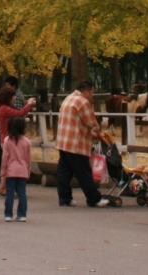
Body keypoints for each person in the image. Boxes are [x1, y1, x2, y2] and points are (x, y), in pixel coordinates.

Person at [55, 80, 112, 208]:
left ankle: (65, 199)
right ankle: (94, 199)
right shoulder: (83, 102)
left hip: (63, 141)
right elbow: (91, 122)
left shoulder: (68, 98)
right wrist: (99, 133)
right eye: (92, 92)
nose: (92, 96)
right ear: (87, 91)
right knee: (84, 172)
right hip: (76, 143)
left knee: (64, 171)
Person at [2, 115, 31, 222]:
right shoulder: (27, 141)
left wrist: (3, 171)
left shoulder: (7, 140)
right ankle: (22, 214)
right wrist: (28, 171)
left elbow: (5, 157)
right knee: (22, 193)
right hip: (22, 170)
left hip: (10, 171)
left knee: (10, 193)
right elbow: (28, 159)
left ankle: (8, 214)